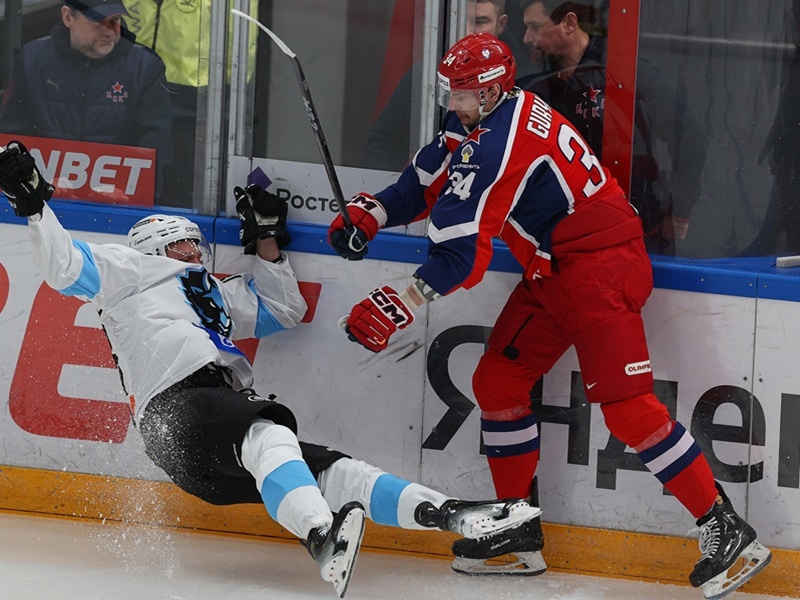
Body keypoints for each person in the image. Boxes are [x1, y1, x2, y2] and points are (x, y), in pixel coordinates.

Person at [327, 33, 771, 598]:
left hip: (601, 268)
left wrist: (400, 302)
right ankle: (516, 531)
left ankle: (725, 528)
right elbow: (423, 183)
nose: (453, 103)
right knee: (498, 381)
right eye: (450, 91)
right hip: (555, 268)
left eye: (463, 93)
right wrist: (372, 211)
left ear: (493, 91)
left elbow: (461, 257)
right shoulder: (484, 117)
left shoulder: (498, 143)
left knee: (629, 411)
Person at [0, 141, 541, 599]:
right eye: (186, 242)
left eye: (197, 243)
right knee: (270, 433)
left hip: (198, 438)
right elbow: (62, 265)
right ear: (157, 244)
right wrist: (33, 204)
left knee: (333, 470)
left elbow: (284, 309)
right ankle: (320, 536)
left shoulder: (210, 294)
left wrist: (266, 242)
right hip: (176, 409)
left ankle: (452, 514)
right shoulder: (130, 269)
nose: (198, 250)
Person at [516, 0, 708, 255]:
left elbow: (690, 138)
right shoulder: (538, 79)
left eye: (535, 26)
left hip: (633, 223)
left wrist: (680, 211)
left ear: (569, 23)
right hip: (565, 226)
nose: (527, 38)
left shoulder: (627, 72)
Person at [0, 0, 173, 201]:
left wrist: (132, 194)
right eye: (98, 20)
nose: (110, 31)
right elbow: (12, 134)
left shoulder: (145, 66)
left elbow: (156, 142)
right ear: (68, 17)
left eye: (116, 19)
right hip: (42, 199)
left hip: (117, 201)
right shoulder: (32, 59)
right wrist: (32, 183)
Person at [360, 0, 532, 172]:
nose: (468, 31)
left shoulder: (528, 82)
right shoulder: (423, 74)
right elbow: (383, 143)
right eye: (461, 20)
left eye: (480, 22)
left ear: (501, 24)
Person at [120, 0, 258, 208]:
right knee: (133, 168)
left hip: (192, 91)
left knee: (180, 179)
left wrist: (229, 87)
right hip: (131, 79)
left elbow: (244, 31)